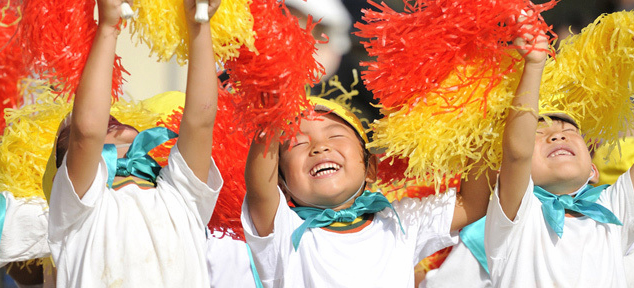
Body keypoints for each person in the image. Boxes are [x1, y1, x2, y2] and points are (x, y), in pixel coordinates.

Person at [47, 0, 223, 287]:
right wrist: (108, 26)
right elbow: (87, 130)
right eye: (69, 133)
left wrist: (199, 25)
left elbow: (201, 121)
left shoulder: (182, 194)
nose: (108, 116)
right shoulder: (75, 210)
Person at [241, 91, 494, 287]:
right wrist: (270, 120)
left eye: (335, 136)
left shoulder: (400, 221)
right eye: (297, 144)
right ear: (282, 187)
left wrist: (477, 119)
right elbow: (259, 189)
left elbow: (472, 204)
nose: (319, 147)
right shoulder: (283, 231)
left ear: (370, 167)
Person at [484, 13, 633, 287]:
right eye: (540, 134)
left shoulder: (614, 208)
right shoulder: (517, 214)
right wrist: (534, 65)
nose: (557, 137)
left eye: (570, 132)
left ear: (593, 170)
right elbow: (517, 153)